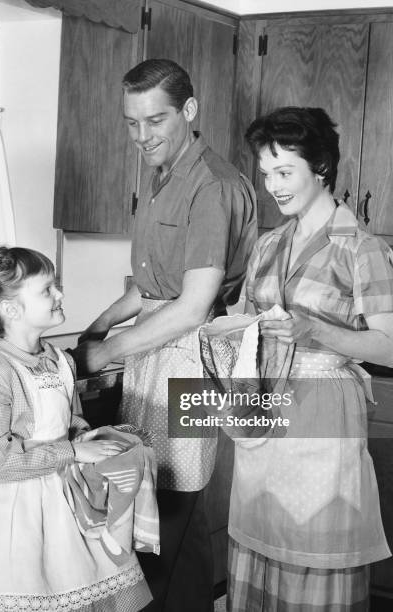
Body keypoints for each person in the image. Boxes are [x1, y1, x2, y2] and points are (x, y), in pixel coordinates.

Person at [75, 59, 258, 611]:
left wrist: (105, 351)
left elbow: (191, 307)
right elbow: (152, 287)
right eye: (131, 123)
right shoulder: (163, 177)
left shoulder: (212, 186)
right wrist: (98, 324)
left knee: (166, 514)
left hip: (189, 358)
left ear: (190, 111)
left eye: (154, 121)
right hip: (155, 352)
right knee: (170, 511)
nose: (141, 136)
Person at [225, 106, 393, 611]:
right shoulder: (267, 244)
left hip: (324, 409)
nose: (273, 186)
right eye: (266, 174)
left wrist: (313, 329)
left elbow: (389, 348)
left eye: (285, 172)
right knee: (262, 531)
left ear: (320, 167)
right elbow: (246, 317)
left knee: (316, 535)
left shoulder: (359, 248)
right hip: (264, 407)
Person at [0, 246, 152, 612]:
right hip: (10, 508)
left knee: (75, 586)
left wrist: (84, 436)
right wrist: (74, 452)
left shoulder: (60, 360)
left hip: (65, 496)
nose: (60, 294)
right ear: (12, 309)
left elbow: (67, 419)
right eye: (47, 289)